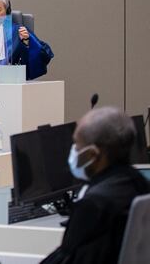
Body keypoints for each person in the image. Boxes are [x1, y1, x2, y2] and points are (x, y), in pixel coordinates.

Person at [42, 106, 149, 264]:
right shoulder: (141, 184)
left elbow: (66, 258)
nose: (74, 151)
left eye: (77, 145)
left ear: (92, 155)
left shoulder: (94, 205)